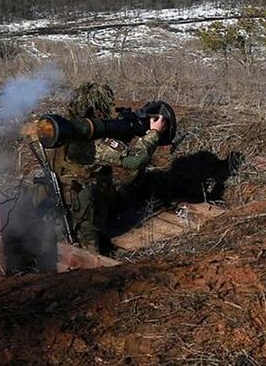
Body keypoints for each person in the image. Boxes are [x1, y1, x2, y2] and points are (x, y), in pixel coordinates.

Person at [34, 82, 168, 254]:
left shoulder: (59, 130)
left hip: (57, 202)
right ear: (97, 109)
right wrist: (154, 133)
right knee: (89, 259)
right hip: (82, 210)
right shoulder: (92, 142)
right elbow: (135, 160)